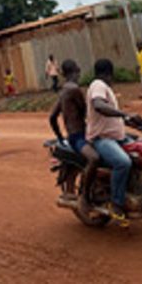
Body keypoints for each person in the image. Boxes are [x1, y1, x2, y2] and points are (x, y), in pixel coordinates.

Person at [86, 58, 142, 222]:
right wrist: (124, 115)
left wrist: (138, 122)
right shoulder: (98, 85)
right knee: (123, 162)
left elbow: (113, 114)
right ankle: (116, 203)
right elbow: (99, 105)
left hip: (117, 137)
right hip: (102, 139)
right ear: (108, 74)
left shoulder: (106, 88)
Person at [49, 59, 100, 204]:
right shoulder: (74, 90)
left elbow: (52, 118)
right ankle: (85, 196)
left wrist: (61, 138)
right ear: (76, 71)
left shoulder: (64, 90)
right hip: (79, 136)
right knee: (94, 158)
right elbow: (87, 113)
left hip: (73, 136)